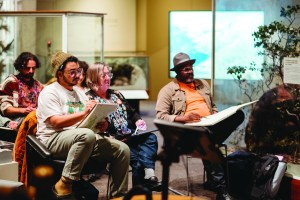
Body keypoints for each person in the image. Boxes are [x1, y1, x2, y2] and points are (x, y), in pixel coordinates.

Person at [35, 51, 130, 199]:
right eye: (72, 72)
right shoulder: (50, 92)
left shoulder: (79, 92)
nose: (78, 75)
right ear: (60, 74)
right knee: (86, 135)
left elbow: (86, 120)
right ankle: (65, 182)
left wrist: (100, 123)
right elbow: (56, 121)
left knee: (122, 149)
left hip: (81, 137)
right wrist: (84, 113)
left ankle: (119, 196)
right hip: (52, 139)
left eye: (78, 71)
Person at [155, 52, 245, 200]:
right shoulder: (168, 90)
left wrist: (216, 116)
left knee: (238, 115)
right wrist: (184, 118)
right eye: (185, 69)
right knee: (206, 140)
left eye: (191, 68)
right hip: (186, 132)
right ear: (177, 72)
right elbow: (160, 116)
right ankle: (221, 189)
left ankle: (214, 178)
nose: (190, 71)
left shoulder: (203, 84)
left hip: (209, 126)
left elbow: (213, 106)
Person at [85, 62, 162, 191]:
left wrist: (138, 121)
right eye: (103, 75)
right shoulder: (88, 99)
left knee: (151, 138)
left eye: (109, 74)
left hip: (130, 134)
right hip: (113, 139)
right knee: (137, 161)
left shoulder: (116, 94)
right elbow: (97, 125)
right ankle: (146, 184)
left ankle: (148, 175)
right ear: (93, 77)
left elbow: (132, 112)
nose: (108, 78)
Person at [245, 84, 299, 155]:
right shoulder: (270, 97)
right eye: (282, 97)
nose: (283, 100)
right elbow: (254, 125)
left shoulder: (293, 96)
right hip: (266, 147)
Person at [0, 52, 44, 125]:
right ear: (20, 67)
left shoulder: (38, 85)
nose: (31, 71)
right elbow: (5, 109)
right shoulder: (10, 82)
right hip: (14, 122)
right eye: (27, 68)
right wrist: (23, 110)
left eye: (33, 68)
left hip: (35, 120)